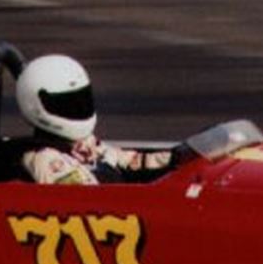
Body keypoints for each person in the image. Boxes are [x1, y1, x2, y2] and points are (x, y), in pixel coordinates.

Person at [14, 54, 172, 184]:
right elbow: (89, 202)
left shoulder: (82, 143)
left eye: (81, 99)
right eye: (66, 103)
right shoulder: (44, 159)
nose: (77, 108)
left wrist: (177, 159)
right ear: (35, 106)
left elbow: (126, 161)